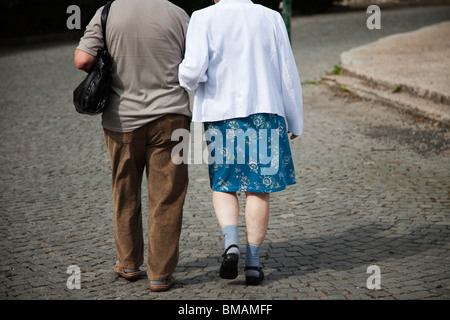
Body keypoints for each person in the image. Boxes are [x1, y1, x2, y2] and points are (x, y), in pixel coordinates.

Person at [179, 0, 303, 285]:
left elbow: (194, 71)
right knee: (259, 189)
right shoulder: (271, 17)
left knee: (224, 184)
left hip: (221, 116)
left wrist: (182, 76)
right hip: (265, 112)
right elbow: (287, 72)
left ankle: (231, 243)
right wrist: (295, 119)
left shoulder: (203, 17)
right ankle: (254, 263)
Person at [74, 0, 191, 292]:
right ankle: (160, 275)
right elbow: (195, 64)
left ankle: (128, 264)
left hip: (121, 119)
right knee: (168, 196)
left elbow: (82, 60)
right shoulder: (177, 13)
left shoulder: (107, 12)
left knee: (124, 191)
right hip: (172, 117)